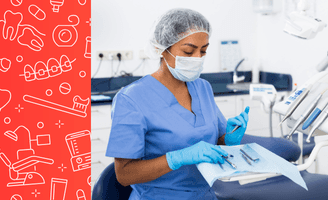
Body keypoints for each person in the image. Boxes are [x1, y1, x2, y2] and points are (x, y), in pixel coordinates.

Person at [105, 8, 250, 199]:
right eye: (188, 51)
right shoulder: (132, 99)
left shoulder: (202, 87)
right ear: (162, 48)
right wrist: (176, 158)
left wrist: (228, 139)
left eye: (203, 51)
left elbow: (213, 144)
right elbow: (124, 174)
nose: (198, 58)